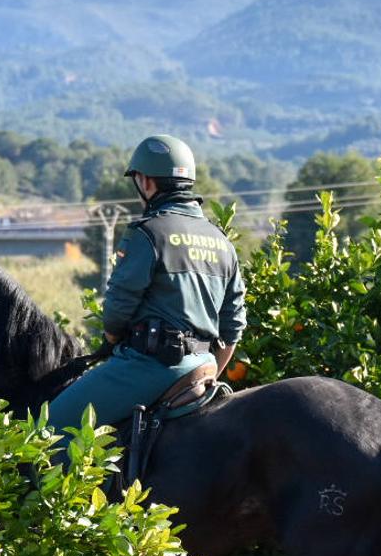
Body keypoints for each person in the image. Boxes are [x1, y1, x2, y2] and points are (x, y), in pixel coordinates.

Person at [48, 134, 245, 451]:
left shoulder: (149, 232)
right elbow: (233, 328)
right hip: (205, 366)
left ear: (146, 182)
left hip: (148, 367)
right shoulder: (221, 242)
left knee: (49, 429)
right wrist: (208, 369)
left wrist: (111, 340)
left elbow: (118, 308)